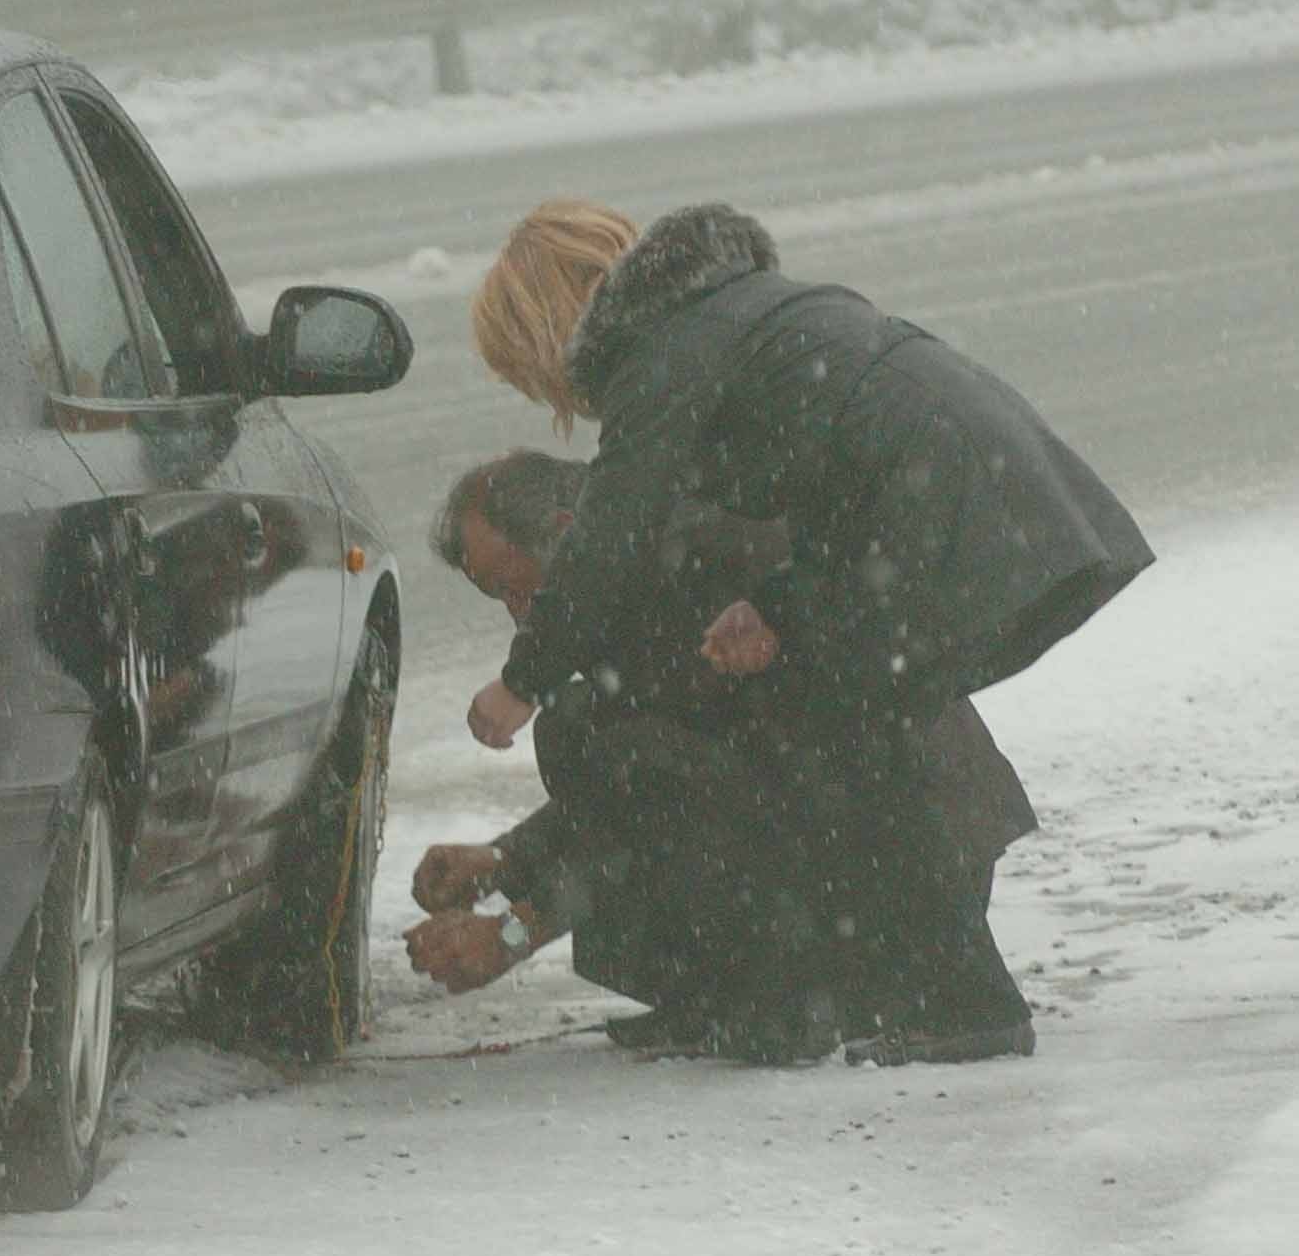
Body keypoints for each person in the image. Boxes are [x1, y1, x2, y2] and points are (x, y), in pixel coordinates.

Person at [458, 200, 1152, 1063]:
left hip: (940, 504)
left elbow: (611, 538)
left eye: (534, 376)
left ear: (549, 329)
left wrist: (521, 681)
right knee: (841, 732)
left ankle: (939, 1007)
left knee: (842, 739)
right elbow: (821, 485)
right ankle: (882, 997)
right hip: (972, 483)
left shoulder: (661, 356)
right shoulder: (722, 315)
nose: (556, 401)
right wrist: (777, 609)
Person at [405, 450, 1037, 1062]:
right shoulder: (643, 555)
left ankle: (782, 1001)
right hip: (868, 836)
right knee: (587, 738)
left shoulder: (679, 574)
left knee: (583, 738)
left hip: (907, 863)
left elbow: (642, 809)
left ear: (568, 535)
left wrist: (510, 935)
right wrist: (503, 862)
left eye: (517, 591)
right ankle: (739, 996)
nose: (520, 618)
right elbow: (638, 796)